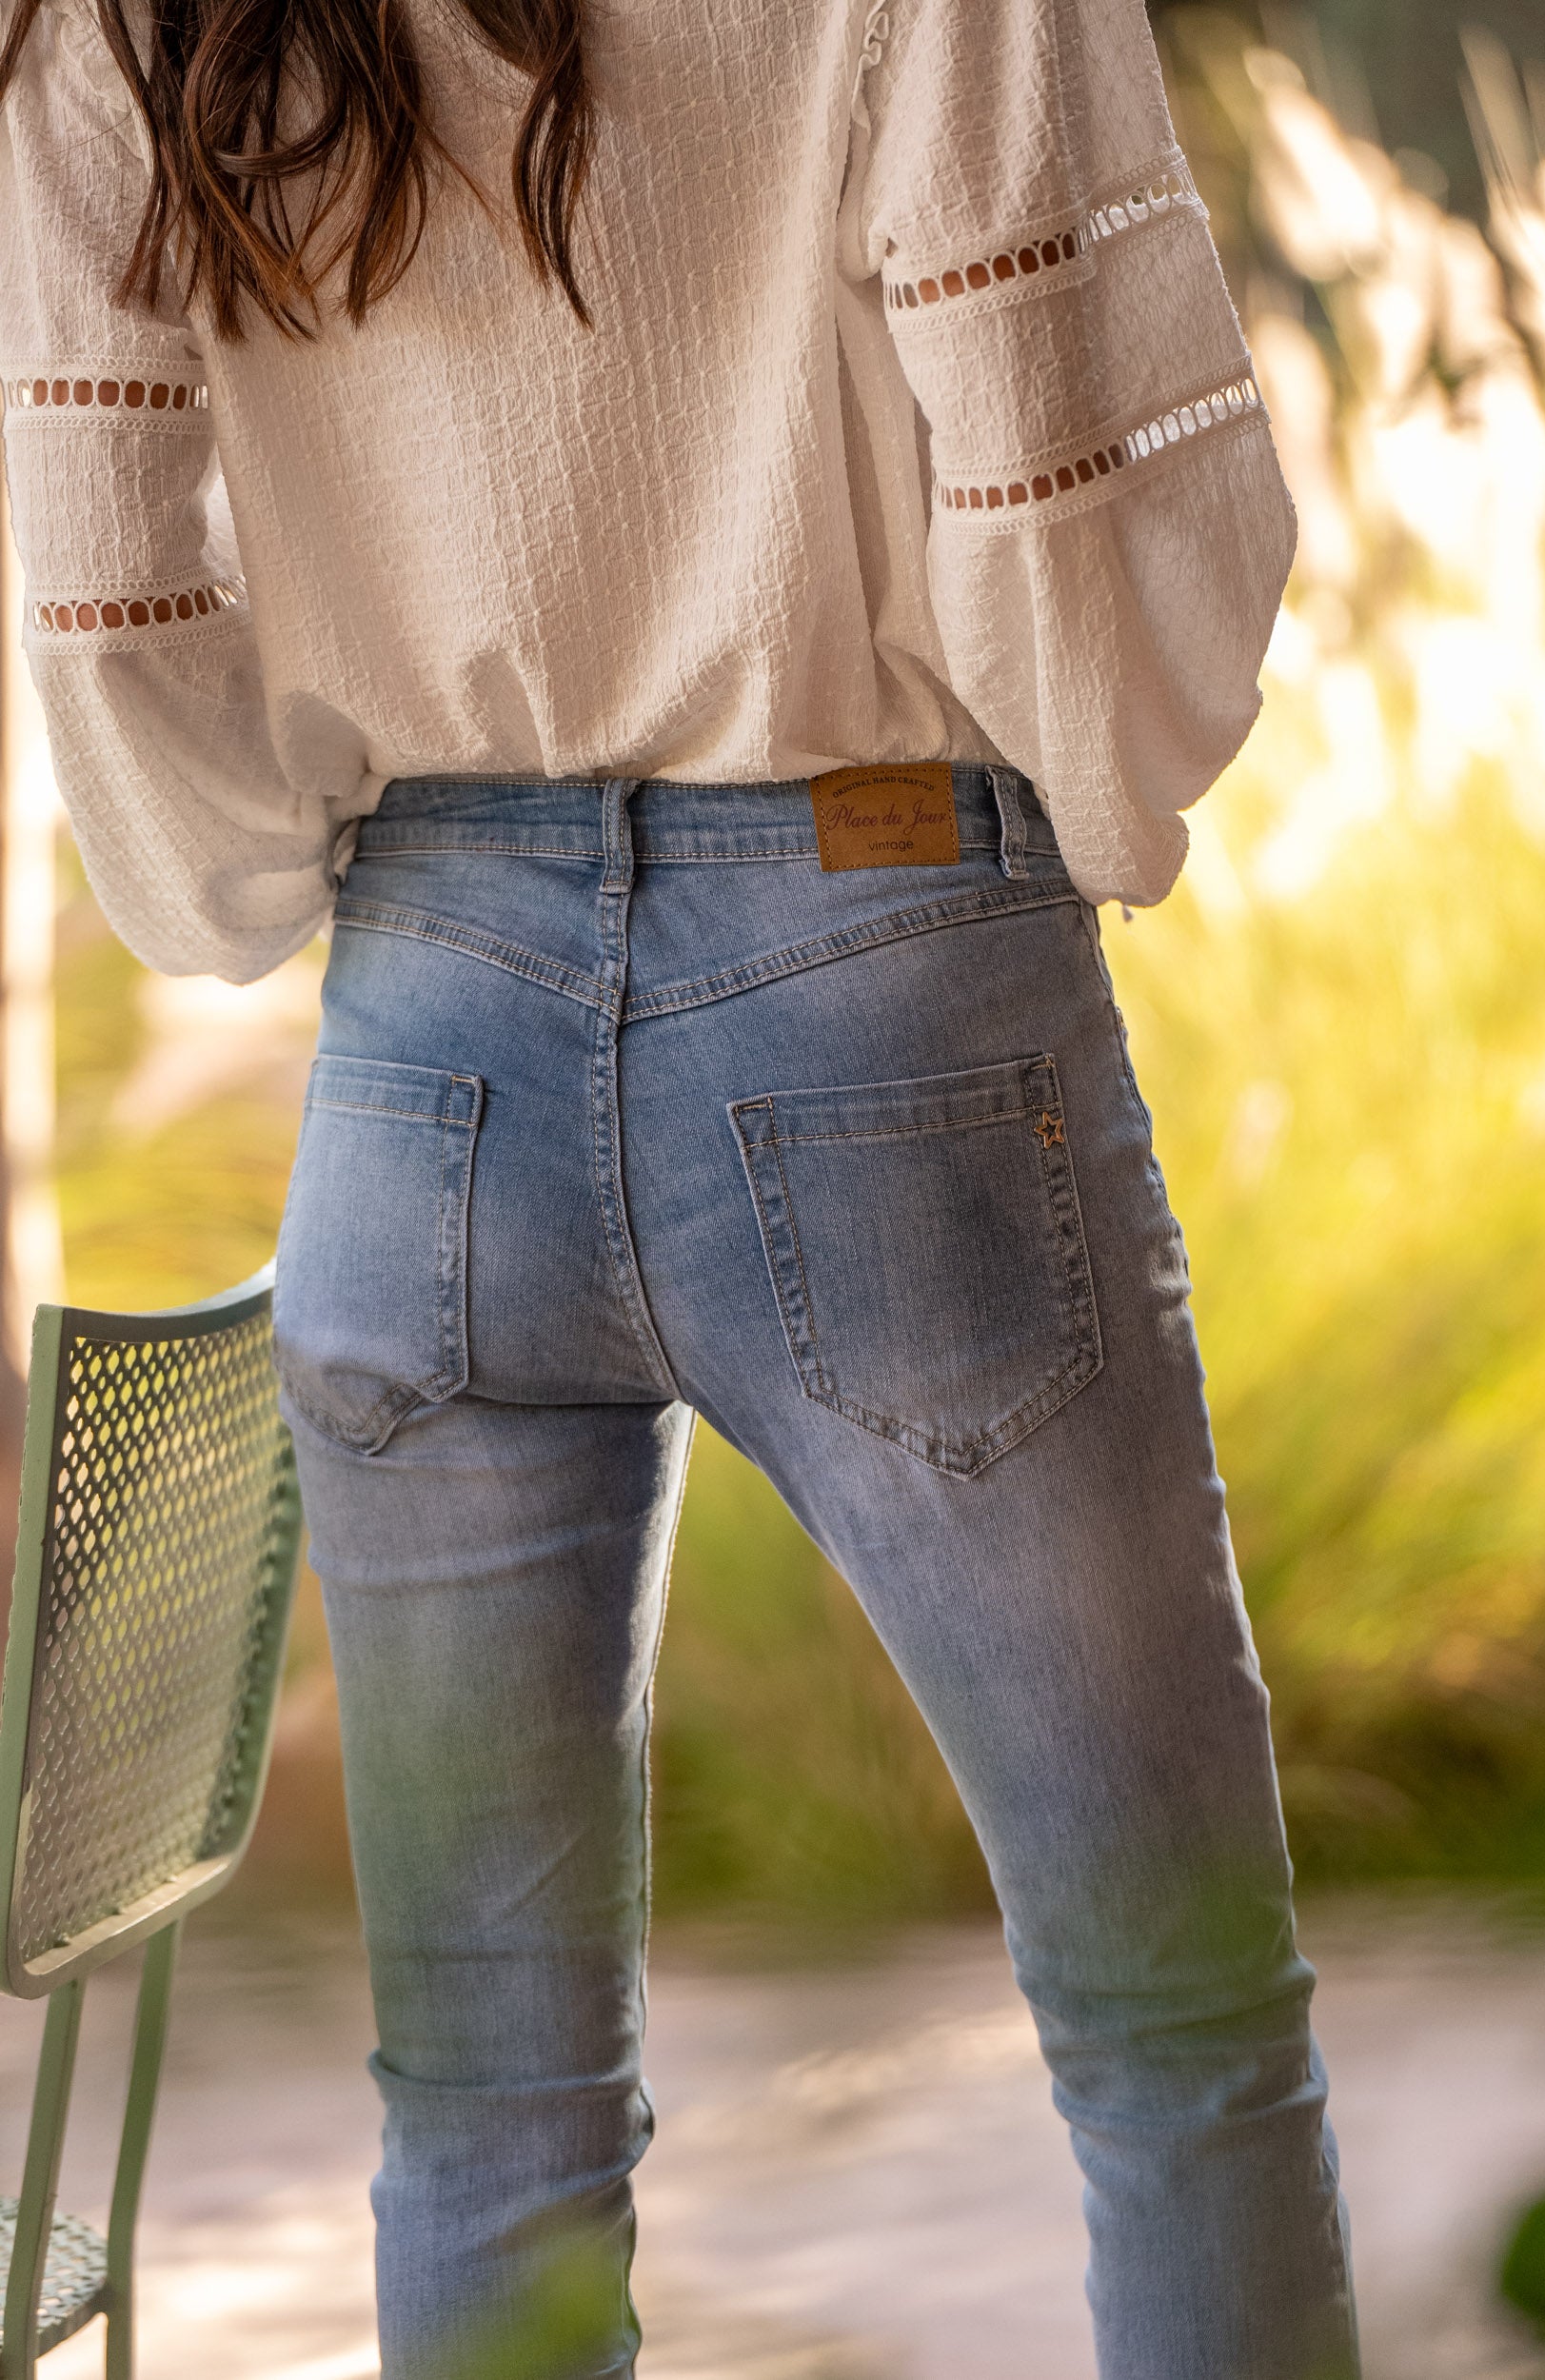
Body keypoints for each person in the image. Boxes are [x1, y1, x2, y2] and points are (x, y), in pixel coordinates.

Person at [0, 0, 1358, 2371]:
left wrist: (298, 866)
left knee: (483, 2121)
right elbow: (1074, 463)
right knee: (1180, 2035)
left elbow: (112, 577)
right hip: (886, 982)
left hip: (422, 1048)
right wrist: (1113, 764)